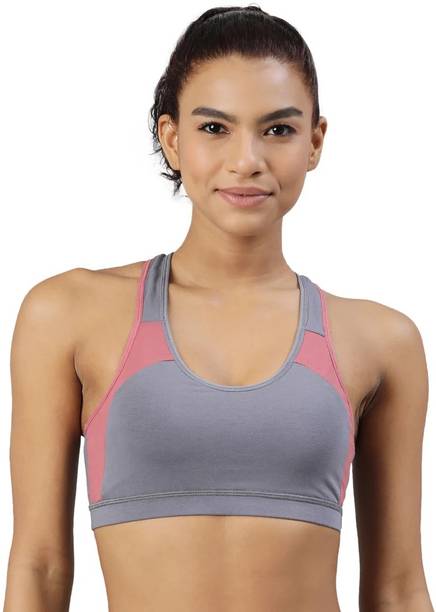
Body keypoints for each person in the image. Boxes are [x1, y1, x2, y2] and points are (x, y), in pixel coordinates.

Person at [3, 5, 433, 612]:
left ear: (315, 142)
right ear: (172, 138)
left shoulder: (382, 341)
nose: (246, 159)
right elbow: (39, 565)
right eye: (214, 128)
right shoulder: (68, 315)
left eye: (278, 130)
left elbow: (398, 587)